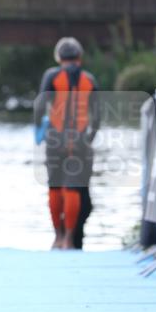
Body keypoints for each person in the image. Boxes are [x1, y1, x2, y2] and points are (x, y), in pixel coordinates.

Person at [34, 37, 99, 250]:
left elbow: (40, 105)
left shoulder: (51, 76)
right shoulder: (89, 79)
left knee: (54, 187)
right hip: (80, 141)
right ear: (79, 57)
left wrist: (40, 130)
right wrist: (88, 138)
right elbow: (97, 116)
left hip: (55, 138)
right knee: (73, 186)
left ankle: (58, 236)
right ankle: (70, 239)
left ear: (59, 57)